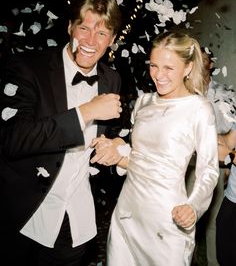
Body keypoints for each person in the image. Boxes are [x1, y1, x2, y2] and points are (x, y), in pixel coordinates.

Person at [0, 0, 123, 266]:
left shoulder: (112, 79)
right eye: (84, 28)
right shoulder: (28, 68)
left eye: (102, 34)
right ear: (70, 27)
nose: (91, 40)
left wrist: (115, 145)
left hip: (74, 221)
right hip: (25, 215)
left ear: (112, 40)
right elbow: (13, 139)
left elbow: (112, 132)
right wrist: (86, 112)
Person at [90, 31, 219, 265]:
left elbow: (209, 170)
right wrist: (115, 150)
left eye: (169, 68)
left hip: (167, 221)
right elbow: (138, 156)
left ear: (188, 68)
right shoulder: (143, 102)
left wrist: (193, 206)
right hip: (127, 214)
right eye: (154, 66)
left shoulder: (199, 109)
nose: (158, 75)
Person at [188, 47, 236, 266]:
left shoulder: (226, 94)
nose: (200, 63)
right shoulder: (185, 93)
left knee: (215, 222)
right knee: (187, 217)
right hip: (189, 164)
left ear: (212, 64)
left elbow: (230, 136)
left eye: (204, 59)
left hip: (217, 164)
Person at [216, 129, 236, 266]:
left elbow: (227, 153)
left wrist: (229, 155)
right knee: (224, 254)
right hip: (232, 197)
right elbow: (229, 141)